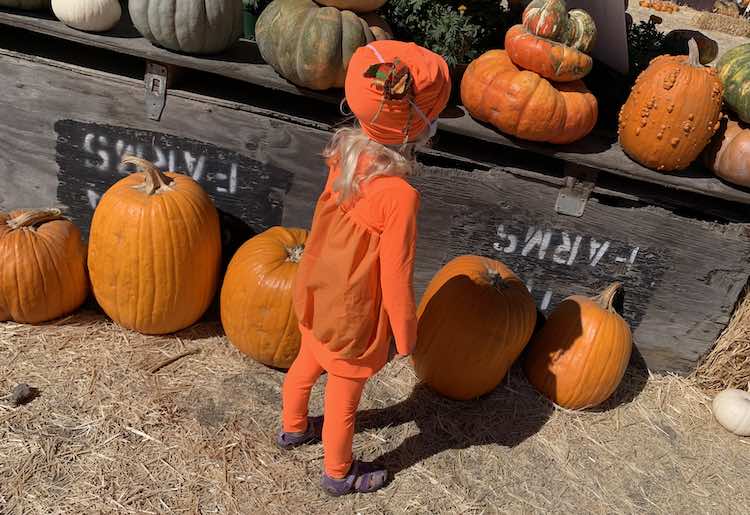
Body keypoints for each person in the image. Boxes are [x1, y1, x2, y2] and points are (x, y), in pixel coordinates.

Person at [275, 40, 451, 496]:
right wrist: (405, 335)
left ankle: (292, 427)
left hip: (318, 288)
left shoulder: (345, 154)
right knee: (343, 396)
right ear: (422, 125)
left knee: (307, 359)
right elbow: (396, 274)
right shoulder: (400, 197)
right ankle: (338, 472)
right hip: (353, 314)